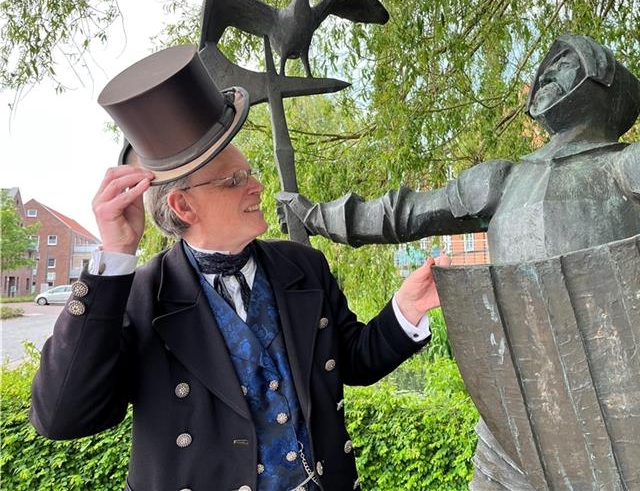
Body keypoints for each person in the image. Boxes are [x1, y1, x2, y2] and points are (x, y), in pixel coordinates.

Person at [278, 34, 640, 489]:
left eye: (565, 63)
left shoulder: (638, 163)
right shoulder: (501, 181)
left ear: (603, 83)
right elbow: (404, 214)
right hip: (519, 419)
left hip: (626, 413)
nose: (545, 74)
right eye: (544, 66)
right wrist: (320, 216)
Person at [30, 45, 449, 491]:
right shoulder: (138, 295)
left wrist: (407, 307)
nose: (257, 186)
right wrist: (114, 255)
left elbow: (353, 362)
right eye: (235, 180)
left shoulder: (303, 266)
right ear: (183, 204)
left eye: (249, 173)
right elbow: (62, 417)